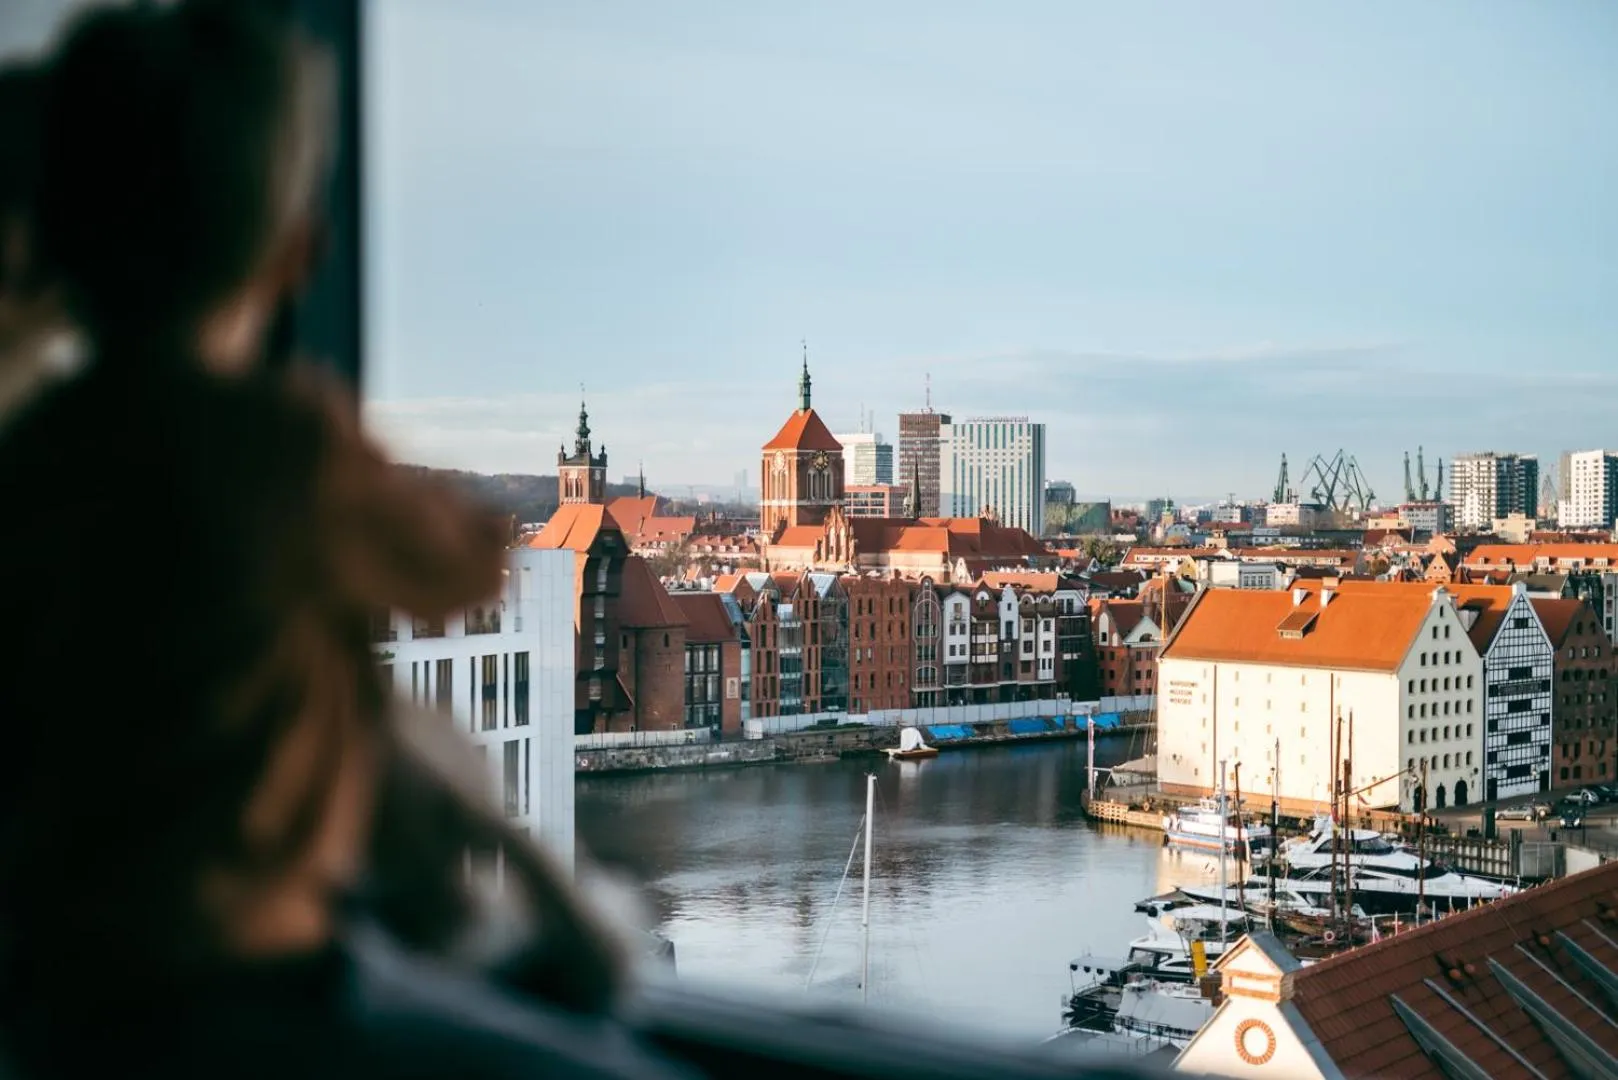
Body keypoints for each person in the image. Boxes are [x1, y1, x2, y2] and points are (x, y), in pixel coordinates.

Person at [0, 3, 685, 1076]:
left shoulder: (31, 448)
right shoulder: (275, 446)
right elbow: (457, 563)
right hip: (246, 978)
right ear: (296, 257)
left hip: (61, 990)